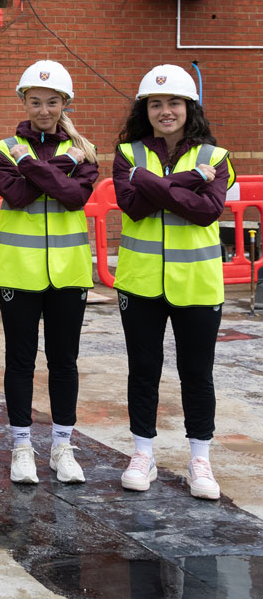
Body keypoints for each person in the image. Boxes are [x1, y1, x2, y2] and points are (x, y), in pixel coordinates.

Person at [112, 64, 233, 501]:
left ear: (190, 108)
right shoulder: (128, 153)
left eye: (174, 103)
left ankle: (200, 458)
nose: (165, 111)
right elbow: (133, 208)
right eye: (156, 104)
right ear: (145, 110)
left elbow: (207, 212)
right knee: (143, 371)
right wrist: (181, 186)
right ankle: (142, 453)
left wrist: (151, 183)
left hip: (198, 284)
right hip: (140, 284)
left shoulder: (215, 158)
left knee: (196, 373)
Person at [0, 60, 97, 484]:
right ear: (23, 100)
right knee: (19, 360)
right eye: (35, 101)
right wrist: (57, 169)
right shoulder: (2, 148)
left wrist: (31, 166)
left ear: (65, 102)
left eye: (53, 102)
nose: (44, 109)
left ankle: (62, 448)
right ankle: (21, 447)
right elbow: (14, 196)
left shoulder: (83, 149)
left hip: (68, 274)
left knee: (64, 361)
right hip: (20, 273)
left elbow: (73, 199)